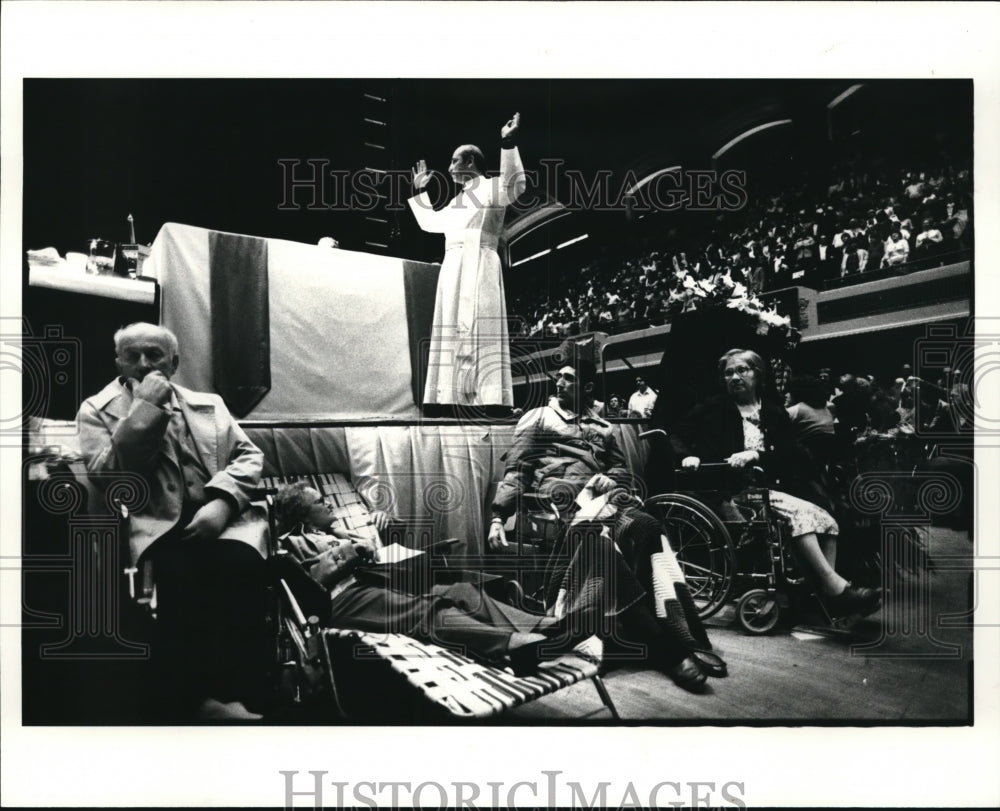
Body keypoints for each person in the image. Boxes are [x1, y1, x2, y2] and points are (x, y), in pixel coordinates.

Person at [77, 322, 270, 720]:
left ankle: (243, 687)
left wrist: (221, 504)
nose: (144, 363)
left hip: (221, 520)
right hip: (154, 526)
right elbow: (111, 478)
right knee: (181, 575)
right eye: (133, 356)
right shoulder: (96, 410)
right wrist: (145, 409)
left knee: (245, 567)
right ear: (118, 362)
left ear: (175, 362)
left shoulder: (209, 404)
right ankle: (193, 698)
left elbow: (249, 457)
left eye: (155, 355)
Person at [488, 363, 718, 692]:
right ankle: (666, 648)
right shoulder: (538, 418)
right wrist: (499, 516)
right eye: (560, 376)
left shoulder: (603, 427)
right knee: (599, 544)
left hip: (606, 501)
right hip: (561, 508)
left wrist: (612, 479)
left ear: (588, 389)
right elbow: (517, 470)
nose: (560, 382)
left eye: (570, 379)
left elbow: (622, 470)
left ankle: (677, 626)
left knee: (648, 526)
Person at [273, 482, 583, 675]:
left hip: (376, 582)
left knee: (461, 589)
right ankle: (512, 647)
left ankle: (541, 625)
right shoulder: (293, 542)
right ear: (303, 515)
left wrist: (351, 532)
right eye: (319, 501)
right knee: (428, 612)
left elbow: (379, 546)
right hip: (343, 599)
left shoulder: (334, 530)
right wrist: (349, 544)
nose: (328, 503)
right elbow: (314, 579)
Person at [671, 349, 881, 619]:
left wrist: (756, 454)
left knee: (827, 520)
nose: (735, 377)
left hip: (775, 487)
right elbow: (677, 435)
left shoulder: (773, 411)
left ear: (757, 375)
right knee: (803, 516)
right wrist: (687, 456)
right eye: (728, 372)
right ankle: (836, 591)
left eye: (742, 370)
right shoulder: (713, 408)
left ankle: (827, 591)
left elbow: (789, 454)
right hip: (733, 491)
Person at [408, 113, 527, 410]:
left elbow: (517, 185)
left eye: (453, 161)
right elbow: (430, 223)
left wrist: (508, 143)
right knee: (450, 326)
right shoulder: (455, 201)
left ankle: (489, 399)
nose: (448, 168)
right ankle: (449, 397)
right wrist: (420, 191)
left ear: (470, 162)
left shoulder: (492, 188)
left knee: (482, 329)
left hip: (481, 265)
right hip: (454, 267)